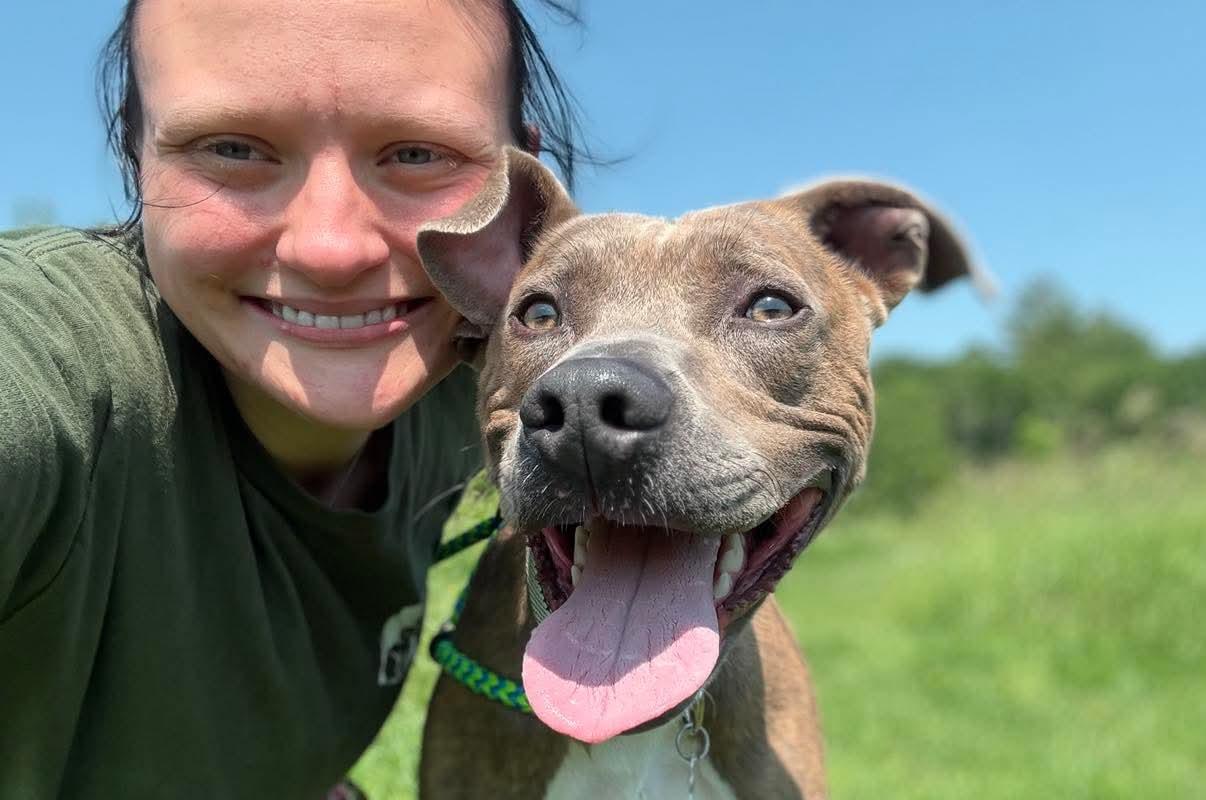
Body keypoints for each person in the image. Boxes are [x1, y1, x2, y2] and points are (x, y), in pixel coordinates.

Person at [0, 0, 584, 796]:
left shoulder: (474, 385)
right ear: (137, 158)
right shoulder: (60, 355)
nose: (331, 248)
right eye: (232, 148)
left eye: (417, 153)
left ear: (522, 194)